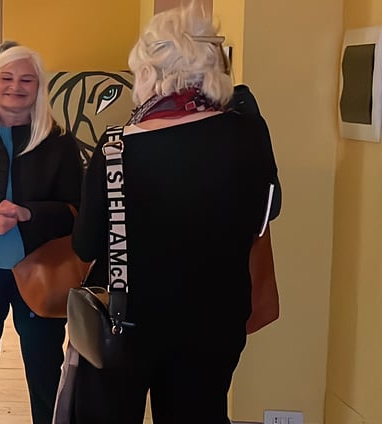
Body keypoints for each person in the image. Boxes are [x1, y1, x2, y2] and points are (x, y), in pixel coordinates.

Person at [69, 4, 279, 423]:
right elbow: (266, 212)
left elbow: (86, 244)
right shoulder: (250, 133)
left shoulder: (116, 148)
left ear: (150, 72)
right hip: (217, 321)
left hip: (128, 323)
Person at [0, 45, 82, 424]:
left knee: (45, 370)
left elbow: (77, 211)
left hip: (41, 272)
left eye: (26, 80)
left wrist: (29, 213)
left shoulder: (59, 141)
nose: (15, 87)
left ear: (39, 86)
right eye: (6, 78)